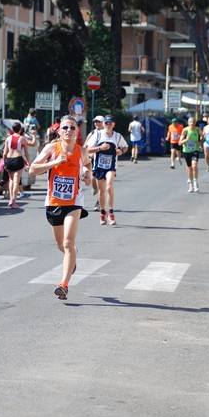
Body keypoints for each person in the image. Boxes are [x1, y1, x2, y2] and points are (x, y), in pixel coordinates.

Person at [29, 114, 91, 300]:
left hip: (74, 202)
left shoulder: (82, 151)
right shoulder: (51, 148)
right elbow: (33, 169)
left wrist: (87, 174)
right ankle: (72, 255)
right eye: (65, 128)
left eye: (72, 128)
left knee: (67, 242)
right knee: (60, 245)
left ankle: (63, 284)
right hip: (54, 202)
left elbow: (87, 167)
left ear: (77, 131)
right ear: (59, 131)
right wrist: (54, 162)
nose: (69, 131)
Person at [86, 115, 128, 225]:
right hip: (99, 166)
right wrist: (100, 148)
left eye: (110, 123)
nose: (108, 125)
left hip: (111, 166)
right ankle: (102, 212)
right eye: (106, 123)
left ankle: (111, 213)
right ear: (103, 124)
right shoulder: (97, 135)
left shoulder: (117, 136)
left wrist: (121, 151)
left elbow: (125, 147)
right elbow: (87, 149)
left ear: (113, 124)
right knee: (101, 191)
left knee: (109, 186)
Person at [2, 122, 31, 208]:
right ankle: (13, 200)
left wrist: (4, 162)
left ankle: (11, 198)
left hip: (9, 160)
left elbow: (4, 152)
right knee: (16, 181)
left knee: (11, 180)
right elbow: (26, 153)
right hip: (18, 159)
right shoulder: (22, 139)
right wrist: (28, 163)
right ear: (20, 129)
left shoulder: (8, 138)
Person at [84, 115, 104, 209]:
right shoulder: (92, 133)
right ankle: (94, 187)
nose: (97, 123)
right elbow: (85, 146)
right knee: (93, 178)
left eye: (99, 122)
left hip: (103, 161)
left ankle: (98, 203)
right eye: (95, 122)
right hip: (92, 159)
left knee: (101, 183)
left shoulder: (107, 134)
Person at [179, 116, 201, 193]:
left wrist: (200, 142)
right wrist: (186, 140)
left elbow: (202, 137)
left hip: (195, 150)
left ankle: (195, 183)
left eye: (193, 122)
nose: (192, 123)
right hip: (186, 151)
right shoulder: (185, 130)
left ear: (195, 123)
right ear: (188, 123)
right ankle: (190, 184)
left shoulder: (198, 130)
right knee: (189, 168)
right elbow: (180, 142)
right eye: (191, 122)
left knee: (194, 165)